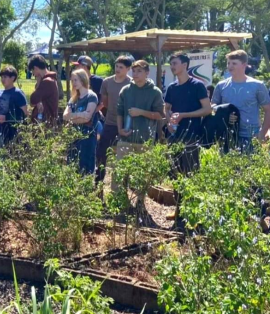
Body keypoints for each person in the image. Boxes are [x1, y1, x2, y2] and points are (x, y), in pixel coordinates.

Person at [165, 53, 212, 223]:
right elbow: (167, 108)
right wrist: (169, 120)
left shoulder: (197, 85)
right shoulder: (171, 87)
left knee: (190, 174)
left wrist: (184, 115)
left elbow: (207, 109)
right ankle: (179, 211)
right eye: (171, 63)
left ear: (185, 65)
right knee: (175, 175)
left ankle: (192, 214)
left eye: (175, 63)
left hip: (192, 136)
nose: (172, 66)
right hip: (174, 136)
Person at [113, 60, 164, 190]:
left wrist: (141, 112)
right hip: (125, 139)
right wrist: (120, 130)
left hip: (145, 140)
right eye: (134, 71)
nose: (135, 74)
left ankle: (140, 204)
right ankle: (120, 203)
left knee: (142, 175)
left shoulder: (155, 92)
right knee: (120, 173)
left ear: (147, 73)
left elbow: (160, 115)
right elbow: (119, 112)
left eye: (139, 71)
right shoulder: (126, 90)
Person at [212, 50, 270, 152]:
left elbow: (268, 110)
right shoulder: (221, 86)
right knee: (226, 168)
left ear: (244, 65)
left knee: (250, 167)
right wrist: (224, 114)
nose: (230, 66)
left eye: (234, 63)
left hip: (251, 136)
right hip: (227, 135)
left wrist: (263, 133)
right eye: (228, 63)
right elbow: (212, 106)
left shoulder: (257, 85)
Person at [95, 56, 132, 184]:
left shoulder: (131, 84)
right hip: (110, 122)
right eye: (116, 66)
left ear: (128, 69)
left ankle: (124, 185)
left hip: (126, 124)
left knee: (125, 156)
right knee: (101, 154)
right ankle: (98, 184)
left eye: (121, 67)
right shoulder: (107, 82)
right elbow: (105, 102)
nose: (118, 69)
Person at [63, 69, 99, 174]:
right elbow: (65, 116)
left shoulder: (91, 96)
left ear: (83, 80)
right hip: (73, 135)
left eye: (76, 80)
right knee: (72, 162)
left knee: (85, 164)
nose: (73, 83)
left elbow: (87, 118)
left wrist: (73, 117)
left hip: (87, 136)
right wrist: (80, 114)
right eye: (72, 80)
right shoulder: (73, 98)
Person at [0, 65, 28, 157]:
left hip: (12, 132)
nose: (3, 79)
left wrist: (7, 118)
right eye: (2, 77)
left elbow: (25, 114)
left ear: (13, 78)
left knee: (9, 157)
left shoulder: (18, 93)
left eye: (5, 77)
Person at [27, 55, 59, 126]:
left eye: (32, 71)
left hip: (46, 123)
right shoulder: (48, 80)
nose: (33, 74)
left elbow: (33, 99)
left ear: (35, 68)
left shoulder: (47, 81)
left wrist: (38, 82)